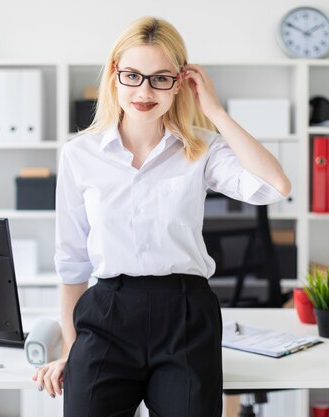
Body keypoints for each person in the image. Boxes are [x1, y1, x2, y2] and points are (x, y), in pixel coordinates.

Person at [33, 16, 291, 417]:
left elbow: (275, 185)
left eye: (160, 78)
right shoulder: (79, 154)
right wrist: (72, 350)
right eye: (133, 75)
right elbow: (72, 265)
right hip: (107, 315)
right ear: (115, 75)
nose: (144, 91)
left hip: (185, 316)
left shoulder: (201, 149)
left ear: (181, 82)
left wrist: (216, 113)